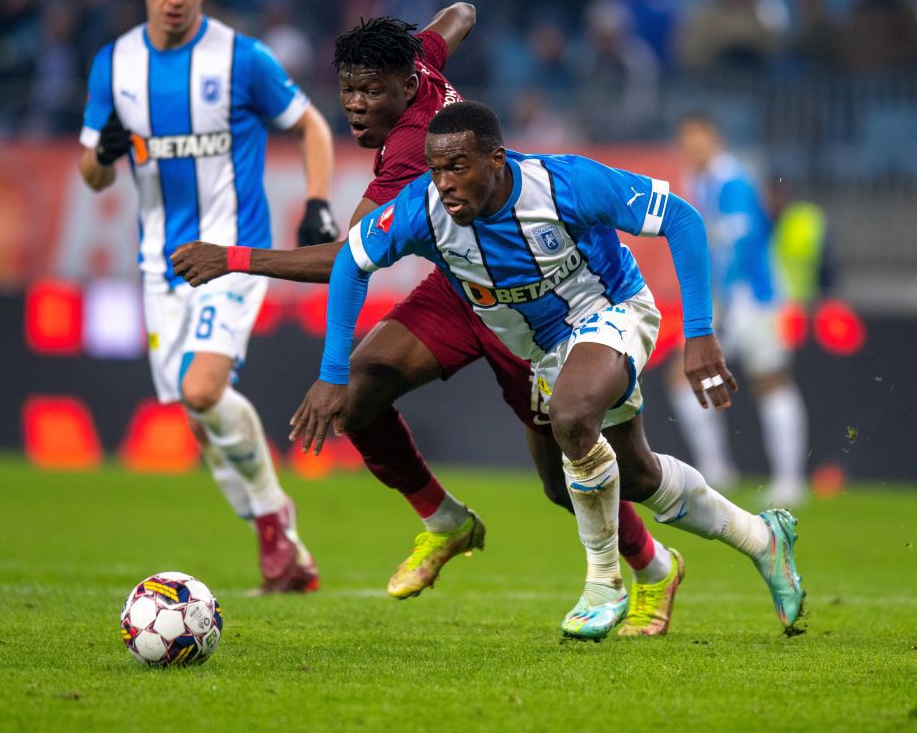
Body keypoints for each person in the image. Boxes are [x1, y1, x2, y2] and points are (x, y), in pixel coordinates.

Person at [171, 11, 685, 637]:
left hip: (527, 302)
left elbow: (344, 259)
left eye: (371, 93)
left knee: (562, 478)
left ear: (408, 88)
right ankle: (446, 522)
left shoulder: (416, 148)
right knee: (360, 388)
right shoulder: (419, 62)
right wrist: (428, 34)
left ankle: (653, 566)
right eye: (349, 91)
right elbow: (464, 15)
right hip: (460, 284)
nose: (357, 107)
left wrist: (230, 259)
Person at [290, 101, 806, 640]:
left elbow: (681, 217)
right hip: (543, 349)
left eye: (458, 168)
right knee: (630, 475)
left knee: (573, 414)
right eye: (436, 169)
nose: (444, 184)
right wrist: (332, 372)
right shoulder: (424, 208)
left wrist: (699, 331)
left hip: (611, 311)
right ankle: (760, 539)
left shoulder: (566, 184)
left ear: (496, 160)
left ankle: (604, 585)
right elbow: (351, 260)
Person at [78, 0, 339, 593]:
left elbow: (310, 123)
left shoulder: (241, 59)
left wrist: (315, 200)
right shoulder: (114, 66)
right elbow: (93, 174)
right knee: (199, 411)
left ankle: (275, 515)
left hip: (230, 253)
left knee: (202, 388)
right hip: (159, 265)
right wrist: (101, 154)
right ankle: (274, 530)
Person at [667, 113, 809, 506]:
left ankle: (790, 481)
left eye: (698, 140)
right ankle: (716, 470)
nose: (691, 148)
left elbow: (741, 247)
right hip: (725, 300)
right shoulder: (701, 182)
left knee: (771, 381)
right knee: (689, 376)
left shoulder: (734, 182)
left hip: (754, 298)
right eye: (686, 141)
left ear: (716, 140)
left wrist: (726, 304)